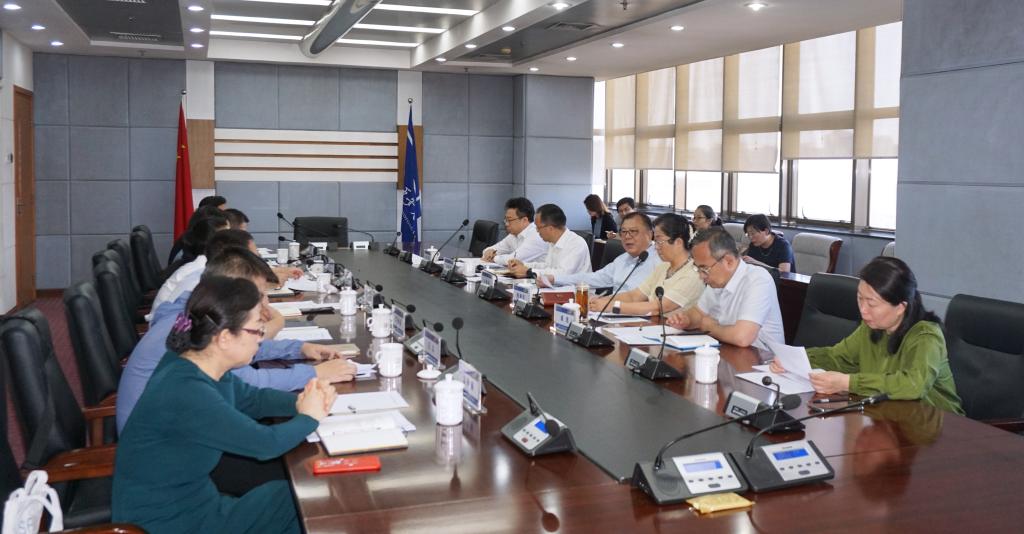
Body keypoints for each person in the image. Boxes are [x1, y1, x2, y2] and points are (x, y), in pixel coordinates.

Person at [113, 277, 333, 533]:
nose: (260, 339)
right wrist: (309, 417)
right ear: (225, 337)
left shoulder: (198, 364)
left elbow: (253, 399)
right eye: (256, 330)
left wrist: (304, 401)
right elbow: (265, 444)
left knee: (295, 493)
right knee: (303, 499)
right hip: (169, 524)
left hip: (199, 504)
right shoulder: (188, 391)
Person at [117, 246, 355, 433]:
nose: (265, 304)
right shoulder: (190, 329)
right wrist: (315, 373)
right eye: (259, 295)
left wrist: (298, 348)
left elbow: (242, 347)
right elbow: (253, 383)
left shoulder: (197, 314)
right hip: (165, 446)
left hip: (179, 430)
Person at [769, 257, 963, 414]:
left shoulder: (926, 336)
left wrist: (848, 383)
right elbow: (838, 357)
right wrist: (794, 359)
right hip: (889, 417)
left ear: (900, 307)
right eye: (860, 299)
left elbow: (913, 384)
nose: (863, 310)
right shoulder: (871, 327)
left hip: (940, 429)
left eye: (871, 303)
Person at [666, 227, 784, 350]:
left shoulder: (758, 279)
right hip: (730, 350)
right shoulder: (716, 281)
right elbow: (699, 314)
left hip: (764, 357)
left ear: (729, 261)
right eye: (698, 269)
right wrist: (686, 320)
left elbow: (742, 337)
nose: (701, 276)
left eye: (704, 269)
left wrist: (711, 328)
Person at [589, 213, 704, 316]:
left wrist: (611, 306)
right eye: (655, 241)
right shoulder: (663, 267)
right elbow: (634, 296)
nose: (656, 247)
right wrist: (602, 300)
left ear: (678, 242)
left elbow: (657, 307)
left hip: (672, 331)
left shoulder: (693, 274)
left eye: (659, 241)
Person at [539, 212, 658, 292]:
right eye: (624, 232)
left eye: (633, 231)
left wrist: (607, 302)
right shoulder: (622, 259)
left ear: (650, 234)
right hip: (612, 314)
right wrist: (555, 279)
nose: (627, 236)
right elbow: (594, 278)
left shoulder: (659, 261)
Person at [507, 204, 591, 278]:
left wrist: (529, 272)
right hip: (557, 287)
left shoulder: (576, 243)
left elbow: (563, 274)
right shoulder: (553, 242)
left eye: (538, 227)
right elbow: (547, 266)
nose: (537, 231)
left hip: (576, 289)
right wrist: (523, 265)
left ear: (550, 228)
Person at [481, 197, 548, 265]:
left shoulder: (537, 235)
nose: (506, 224)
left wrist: (494, 258)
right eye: (506, 220)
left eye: (509, 220)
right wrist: (489, 251)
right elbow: (489, 250)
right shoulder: (513, 235)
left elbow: (514, 259)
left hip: (540, 271)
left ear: (524, 220)